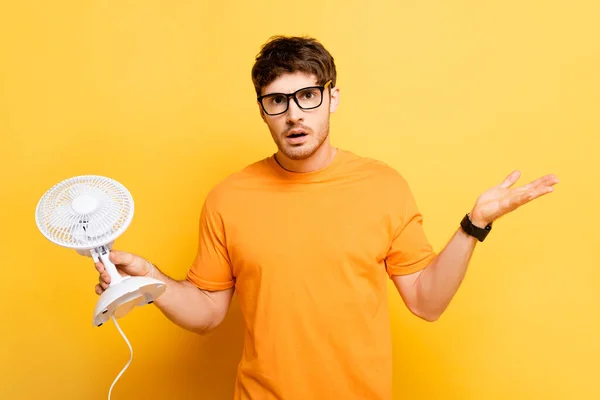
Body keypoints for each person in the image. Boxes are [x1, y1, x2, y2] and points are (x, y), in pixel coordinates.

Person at [95, 35, 559, 399]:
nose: (293, 115)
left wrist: (473, 224)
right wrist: (151, 282)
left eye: (307, 96)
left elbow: (427, 302)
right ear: (262, 110)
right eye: (276, 101)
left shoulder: (382, 186)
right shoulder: (228, 197)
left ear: (332, 98)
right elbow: (208, 313)